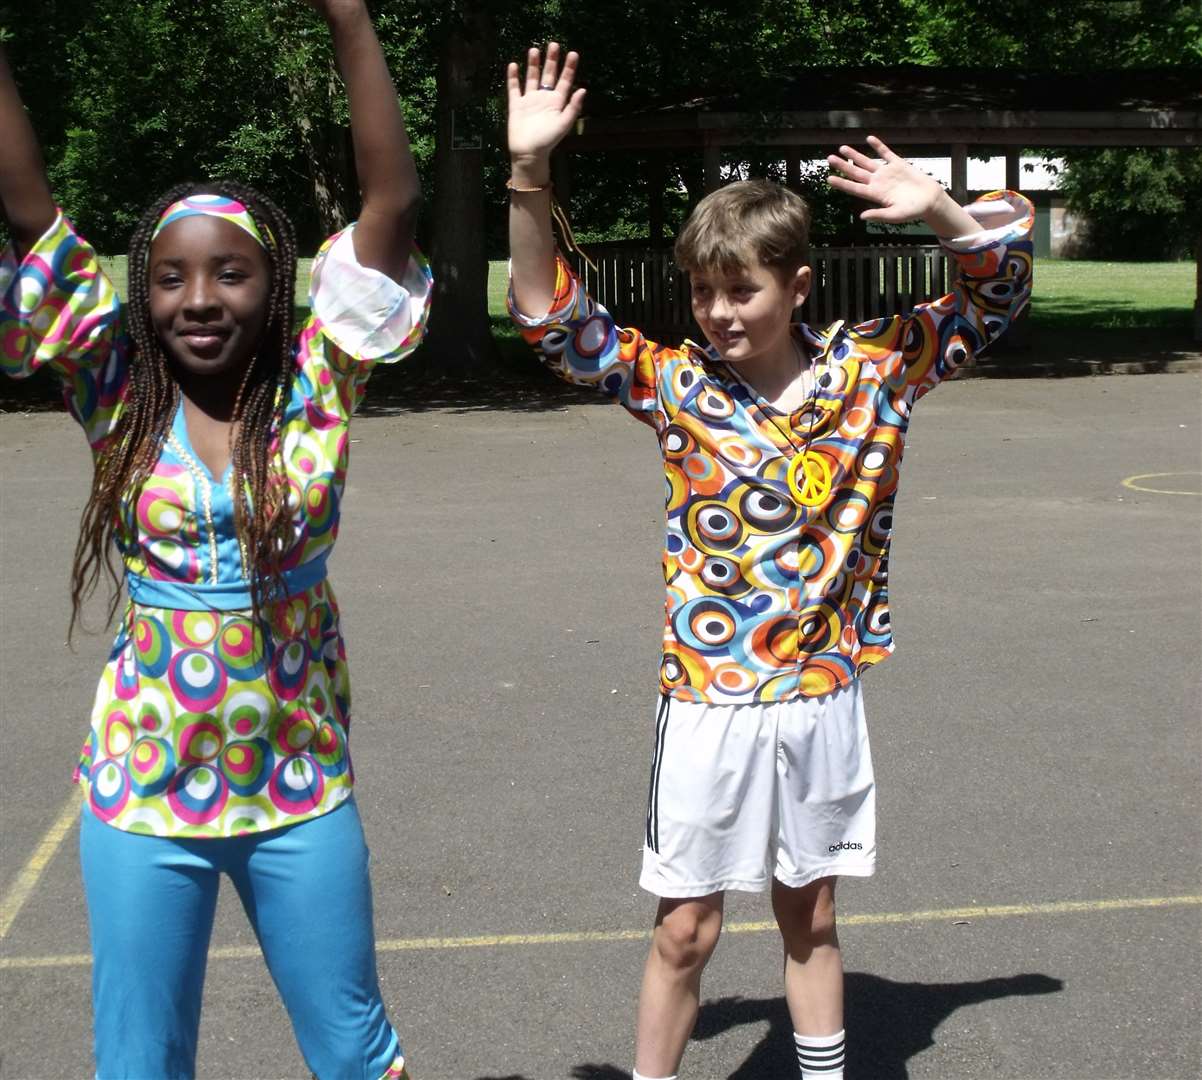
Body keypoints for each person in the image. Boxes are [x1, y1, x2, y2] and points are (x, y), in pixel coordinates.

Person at [506, 43, 1033, 1080]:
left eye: (740, 290)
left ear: (796, 285)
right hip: (709, 696)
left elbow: (997, 291)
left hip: (820, 692)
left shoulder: (876, 370)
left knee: (812, 917)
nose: (718, 313)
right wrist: (527, 176)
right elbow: (550, 321)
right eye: (701, 292)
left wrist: (936, 210)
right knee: (684, 930)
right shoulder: (675, 386)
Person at [0, 2, 430, 1076]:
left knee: (354, 1051)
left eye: (230, 273)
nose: (200, 297)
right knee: (139, 1060)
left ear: (275, 284)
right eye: (171, 276)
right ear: (139, 295)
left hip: (299, 784)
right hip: (144, 789)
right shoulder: (112, 392)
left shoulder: (319, 379)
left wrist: (345, 15)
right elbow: (28, 211)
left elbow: (390, 197)